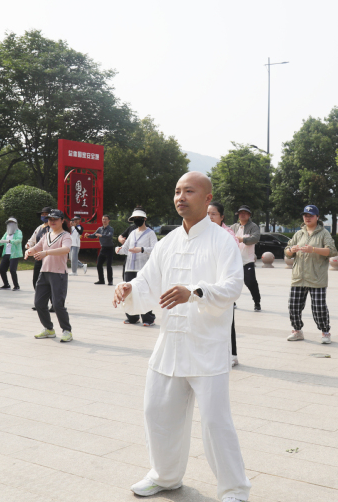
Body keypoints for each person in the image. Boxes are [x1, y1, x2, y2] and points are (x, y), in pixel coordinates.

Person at [112, 172, 250, 502]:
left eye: (189, 191)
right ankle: (165, 476)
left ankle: (234, 489)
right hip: (169, 345)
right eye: (177, 191)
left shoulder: (222, 241)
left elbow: (233, 286)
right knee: (156, 412)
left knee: (215, 423)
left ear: (207, 198)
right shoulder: (168, 242)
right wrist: (130, 288)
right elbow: (148, 281)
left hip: (207, 347)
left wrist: (196, 291)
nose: (180, 197)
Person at [284, 205, 338, 344]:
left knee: (319, 308)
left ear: (317, 217)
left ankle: (325, 332)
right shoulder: (299, 234)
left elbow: (332, 251)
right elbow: (287, 251)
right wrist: (291, 250)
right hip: (298, 277)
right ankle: (297, 331)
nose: (307, 218)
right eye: (305, 215)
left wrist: (313, 249)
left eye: (311, 215)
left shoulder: (324, 233)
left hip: (316, 277)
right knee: (293, 306)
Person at [26, 209, 73, 342]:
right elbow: (36, 248)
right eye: (50, 219)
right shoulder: (46, 235)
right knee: (39, 303)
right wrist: (29, 251)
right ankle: (49, 329)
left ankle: (67, 331)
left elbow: (66, 249)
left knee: (58, 304)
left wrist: (46, 253)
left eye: (55, 219)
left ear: (62, 221)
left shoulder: (66, 236)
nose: (52, 221)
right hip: (44, 273)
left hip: (58, 274)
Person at [209, 202, 241, 367]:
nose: (209, 217)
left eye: (213, 214)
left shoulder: (228, 234)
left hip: (224, 283)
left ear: (222, 217)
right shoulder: (205, 232)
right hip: (208, 283)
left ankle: (232, 355)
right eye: (207, 214)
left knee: (227, 320)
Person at [117, 207, 157, 325]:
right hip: (129, 267)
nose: (137, 220)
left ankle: (148, 318)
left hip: (143, 268)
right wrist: (118, 249)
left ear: (145, 219)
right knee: (128, 293)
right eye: (135, 218)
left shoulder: (150, 233)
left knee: (144, 293)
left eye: (139, 218)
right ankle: (132, 317)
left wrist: (141, 249)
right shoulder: (132, 233)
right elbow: (125, 249)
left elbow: (155, 249)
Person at [230, 205, 262, 312]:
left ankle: (257, 302)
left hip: (247, 261)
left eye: (245, 213)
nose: (242, 215)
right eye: (241, 213)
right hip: (234, 261)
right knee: (231, 282)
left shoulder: (253, 226)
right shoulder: (234, 227)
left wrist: (242, 239)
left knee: (250, 282)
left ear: (249, 215)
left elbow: (255, 238)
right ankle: (232, 302)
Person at [27, 207, 53, 312]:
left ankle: (54, 304)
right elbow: (32, 239)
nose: (44, 216)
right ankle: (41, 303)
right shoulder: (39, 228)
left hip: (49, 257)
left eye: (46, 214)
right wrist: (29, 245)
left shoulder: (53, 228)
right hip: (38, 257)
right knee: (36, 280)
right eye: (43, 214)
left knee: (50, 281)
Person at [0, 217, 23, 291]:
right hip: (6, 253)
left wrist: (9, 241)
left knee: (12, 270)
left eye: (12, 223)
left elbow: (18, 240)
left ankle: (16, 286)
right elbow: (2, 241)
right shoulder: (6, 233)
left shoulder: (18, 232)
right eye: (9, 223)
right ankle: (6, 284)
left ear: (15, 224)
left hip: (14, 254)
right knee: (1, 269)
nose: (10, 224)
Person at [88, 214, 114, 285]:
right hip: (103, 248)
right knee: (99, 264)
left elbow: (109, 236)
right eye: (103, 219)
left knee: (108, 265)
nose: (104, 220)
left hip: (110, 249)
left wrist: (101, 235)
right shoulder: (100, 229)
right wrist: (88, 235)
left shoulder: (110, 229)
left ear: (108, 220)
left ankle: (110, 281)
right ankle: (101, 280)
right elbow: (94, 235)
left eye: (106, 219)